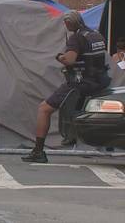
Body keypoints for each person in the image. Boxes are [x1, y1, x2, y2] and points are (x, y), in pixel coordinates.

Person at [22, 11, 111, 163]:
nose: (65, 25)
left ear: (70, 23)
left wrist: (60, 57)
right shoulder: (96, 35)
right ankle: (73, 136)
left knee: (44, 109)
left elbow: (70, 60)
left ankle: (38, 151)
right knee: (75, 110)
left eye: (65, 23)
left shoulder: (76, 38)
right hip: (99, 81)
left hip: (80, 83)